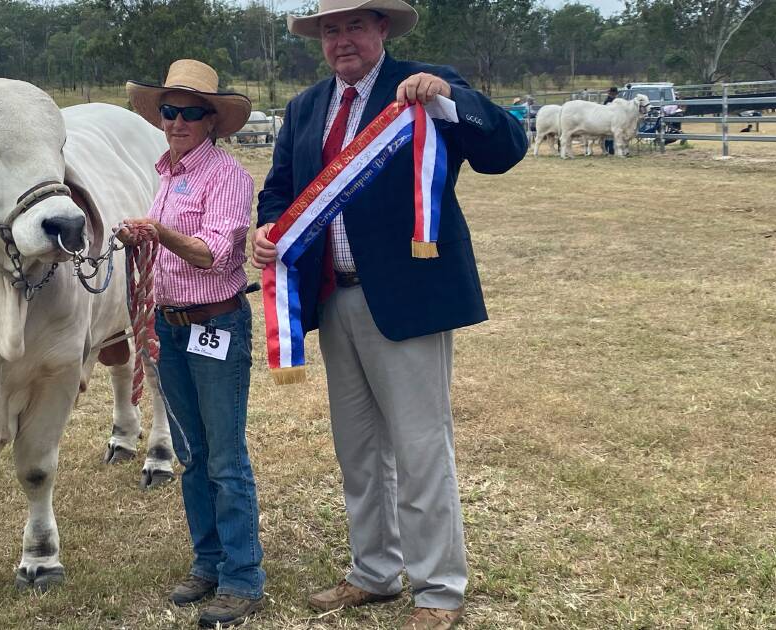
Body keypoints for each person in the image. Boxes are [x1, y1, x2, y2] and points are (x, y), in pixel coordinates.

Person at [251, 1, 527, 629]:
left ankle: (438, 589)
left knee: (421, 444)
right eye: (329, 30)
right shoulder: (305, 107)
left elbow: (506, 149)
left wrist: (449, 102)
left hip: (407, 296)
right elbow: (281, 187)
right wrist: (267, 227)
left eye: (353, 26)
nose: (341, 40)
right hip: (332, 295)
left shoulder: (427, 85)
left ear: (381, 30)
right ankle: (373, 571)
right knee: (358, 448)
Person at [121, 59, 265, 628]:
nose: (176, 120)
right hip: (172, 326)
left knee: (225, 458)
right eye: (169, 110)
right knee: (192, 455)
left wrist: (160, 233)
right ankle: (208, 562)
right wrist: (140, 238)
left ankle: (242, 576)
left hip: (215, 324)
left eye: (189, 112)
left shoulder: (227, 176)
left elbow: (215, 255)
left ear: (212, 120)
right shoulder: (168, 173)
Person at [603, 86, 619, 154]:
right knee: (608, 136)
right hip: (608, 119)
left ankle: (610, 150)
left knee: (611, 136)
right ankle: (609, 150)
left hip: (613, 120)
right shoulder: (608, 101)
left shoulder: (615, 100)